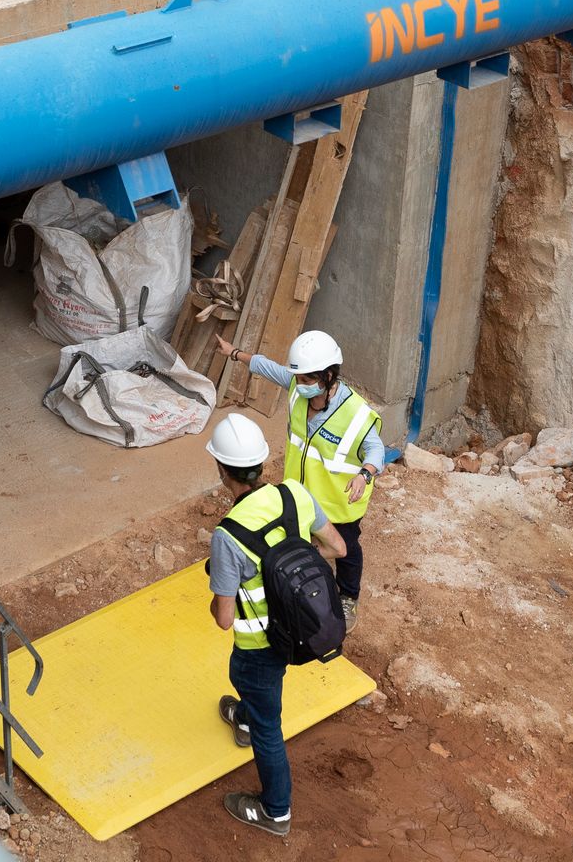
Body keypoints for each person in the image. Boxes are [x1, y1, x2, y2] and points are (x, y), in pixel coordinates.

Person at [205, 413, 346, 837]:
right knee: (260, 697)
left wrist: (225, 581)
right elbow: (336, 547)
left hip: (258, 648)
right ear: (263, 463)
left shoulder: (228, 535)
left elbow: (224, 619)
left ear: (221, 469)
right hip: (298, 630)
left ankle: (275, 811)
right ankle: (245, 719)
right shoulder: (296, 494)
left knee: (269, 725)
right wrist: (286, 568)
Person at [215, 330, 383, 632]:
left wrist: (365, 473)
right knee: (303, 544)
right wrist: (234, 353)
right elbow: (269, 367)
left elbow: (375, 448)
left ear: (329, 375)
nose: (300, 384)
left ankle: (348, 596)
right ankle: (306, 586)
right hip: (301, 496)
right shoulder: (297, 385)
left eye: (308, 380)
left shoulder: (356, 414)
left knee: (346, 549)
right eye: (300, 378)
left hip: (340, 502)